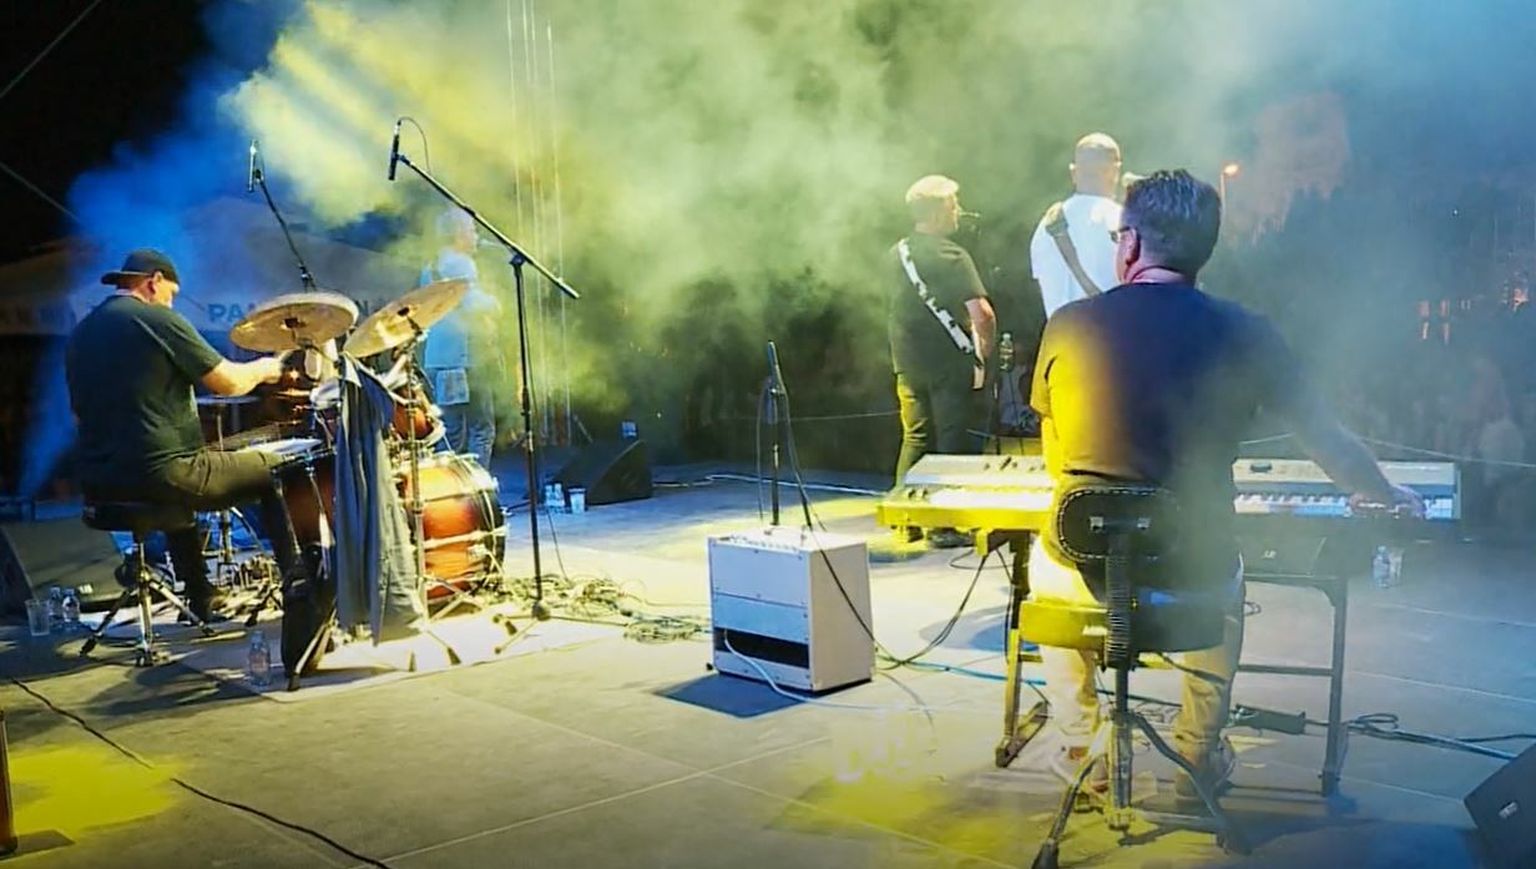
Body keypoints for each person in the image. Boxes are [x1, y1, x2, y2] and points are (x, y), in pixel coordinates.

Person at [1028, 171, 1423, 799]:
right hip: (1191, 570)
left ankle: (1082, 746)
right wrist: (1385, 493)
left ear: (1130, 243)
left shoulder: (1069, 324)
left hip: (1084, 564)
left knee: (1044, 557)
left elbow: (1054, 436)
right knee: (1227, 579)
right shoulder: (1246, 331)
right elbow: (1324, 435)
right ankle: (1196, 755)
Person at [65, 249, 299, 623]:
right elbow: (229, 383)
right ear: (154, 281)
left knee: (176, 482)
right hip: (163, 474)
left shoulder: (82, 333)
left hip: (100, 485)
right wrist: (266, 368)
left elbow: (78, 417)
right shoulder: (157, 318)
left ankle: (201, 595)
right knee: (281, 467)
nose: (172, 302)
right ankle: (300, 591)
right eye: (172, 294)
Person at [889, 175, 997, 548]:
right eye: (953, 206)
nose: (958, 212)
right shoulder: (954, 256)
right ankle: (943, 526)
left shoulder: (897, 253)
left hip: (907, 362)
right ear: (937, 212)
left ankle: (905, 519)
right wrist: (984, 353)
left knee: (916, 437)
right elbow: (981, 313)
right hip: (949, 363)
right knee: (950, 441)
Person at [420, 208, 504, 469]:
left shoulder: (430, 267)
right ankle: (479, 487)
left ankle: (448, 489)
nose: (476, 237)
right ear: (458, 234)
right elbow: (472, 304)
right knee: (482, 428)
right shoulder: (461, 262)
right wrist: (496, 303)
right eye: (472, 230)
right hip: (466, 359)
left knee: (450, 434)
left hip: (438, 359)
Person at [1029, 133, 1125, 320]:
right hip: (1112, 335)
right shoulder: (1123, 220)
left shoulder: (1048, 224)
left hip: (1059, 336)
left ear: (1074, 173)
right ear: (1114, 171)